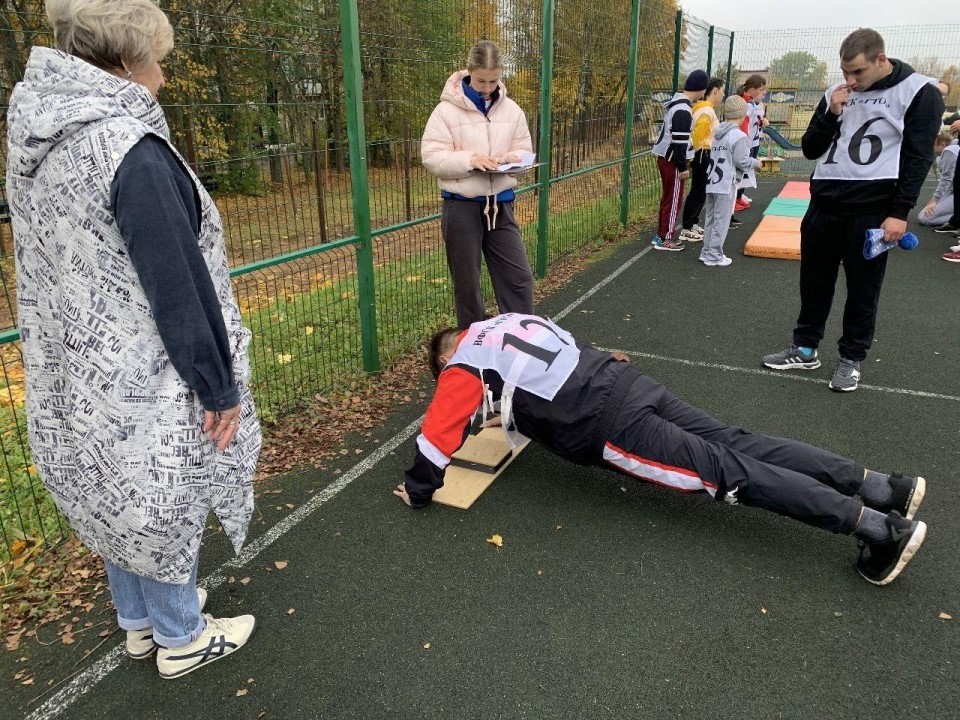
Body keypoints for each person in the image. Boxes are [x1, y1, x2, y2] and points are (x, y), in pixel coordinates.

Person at [6, 0, 260, 679]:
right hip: (142, 361)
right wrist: (217, 383)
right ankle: (182, 635)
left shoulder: (41, 135)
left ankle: (140, 623)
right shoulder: (128, 150)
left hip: (74, 363)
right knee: (160, 488)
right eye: (158, 62)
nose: (164, 79)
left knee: (110, 487)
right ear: (123, 61)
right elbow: (177, 283)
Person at [393, 313, 927, 586]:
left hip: (607, 423)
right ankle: (881, 485)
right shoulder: (505, 322)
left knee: (726, 472)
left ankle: (879, 530)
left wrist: (419, 489)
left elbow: (440, 435)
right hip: (625, 384)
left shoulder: (461, 365)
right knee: (737, 441)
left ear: (445, 360)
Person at [761, 29, 943, 393]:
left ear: (880, 59)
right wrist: (832, 112)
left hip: (871, 208)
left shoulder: (918, 91)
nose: (850, 80)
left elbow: (918, 155)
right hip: (824, 202)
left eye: (857, 72)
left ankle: (851, 358)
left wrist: (899, 211)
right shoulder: (836, 92)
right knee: (814, 282)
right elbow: (810, 149)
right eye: (845, 72)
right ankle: (805, 346)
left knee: (863, 288)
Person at [421, 40, 534, 330]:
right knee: (467, 286)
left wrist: (513, 158)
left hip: (501, 205)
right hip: (461, 208)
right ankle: (473, 351)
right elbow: (431, 157)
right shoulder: (445, 112)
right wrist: (471, 160)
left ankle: (521, 342)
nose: (487, 87)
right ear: (469, 71)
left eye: (494, 80)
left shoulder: (513, 111)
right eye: (482, 80)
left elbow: (524, 149)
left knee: (518, 278)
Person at [698, 96, 761, 267]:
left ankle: (707, 252)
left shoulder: (717, 133)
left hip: (712, 181)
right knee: (722, 220)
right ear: (742, 115)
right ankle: (714, 255)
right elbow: (742, 161)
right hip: (726, 183)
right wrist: (756, 163)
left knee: (711, 218)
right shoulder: (738, 136)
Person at [651, 69, 709, 251]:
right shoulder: (683, 110)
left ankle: (661, 235)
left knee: (668, 198)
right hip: (672, 161)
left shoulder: (678, 104)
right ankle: (665, 238)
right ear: (701, 89)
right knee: (674, 199)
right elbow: (679, 142)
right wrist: (682, 166)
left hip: (666, 159)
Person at [679, 77, 725, 244]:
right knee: (698, 190)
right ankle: (687, 227)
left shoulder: (705, 109)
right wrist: (696, 155)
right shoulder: (706, 111)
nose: (723, 95)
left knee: (700, 190)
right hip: (702, 154)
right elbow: (698, 135)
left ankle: (692, 222)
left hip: (703, 154)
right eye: (722, 91)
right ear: (715, 91)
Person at [734, 74, 768, 212]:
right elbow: (743, 125)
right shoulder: (744, 104)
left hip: (752, 142)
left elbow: (753, 122)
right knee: (741, 169)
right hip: (745, 143)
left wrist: (761, 122)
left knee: (746, 170)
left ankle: (739, 196)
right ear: (753, 89)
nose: (762, 94)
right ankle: (735, 198)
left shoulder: (752, 104)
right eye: (761, 90)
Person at [918, 133, 957, 226]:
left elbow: (947, 178)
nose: (931, 149)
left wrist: (936, 199)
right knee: (925, 213)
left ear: (943, 144)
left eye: (933, 145)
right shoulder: (955, 146)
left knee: (925, 218)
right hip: (953, 191)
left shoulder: (949, 150)